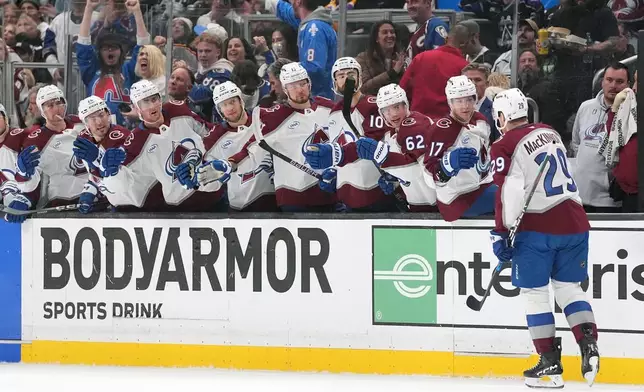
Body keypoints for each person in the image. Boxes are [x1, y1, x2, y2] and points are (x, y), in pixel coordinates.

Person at [489, 88, 599, 389]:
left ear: (502, 117)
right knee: (568, 288)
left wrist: (501, 232)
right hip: (575, 221)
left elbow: (507, 192)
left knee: (535, 294)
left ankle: (549, 364)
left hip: (537, 227)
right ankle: (588, 344)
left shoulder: (503, 144)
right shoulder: (550, 132)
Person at [99, 80, 225, 212]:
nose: (152, 106)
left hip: (214, 196)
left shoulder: (178, 110)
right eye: (145, 102)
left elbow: (211, 134)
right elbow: (120, 181)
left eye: (154, 99)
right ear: (136, 108)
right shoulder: (136, 141)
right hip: (181, 209)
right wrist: (106, 168)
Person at [224, 62, 336, 212]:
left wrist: (337, 171)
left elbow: (344, 142)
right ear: (285, 89)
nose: (299, 90)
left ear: (309, 84)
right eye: (293, 86)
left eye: (302, 84)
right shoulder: (274, 117)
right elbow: (251, 147)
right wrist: (229, 164)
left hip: (330, 194)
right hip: (295, 199)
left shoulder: (328, 107)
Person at [303, 57, 400, 212]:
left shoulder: (373, 106)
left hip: (376, 192)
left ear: (359, 77)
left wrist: (338, 154)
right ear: (334, 82)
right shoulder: (334, 113)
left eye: (350, 74)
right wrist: (334, 172)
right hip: (347, 197)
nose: (346, 79)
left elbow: (369, 146)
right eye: (341, 76)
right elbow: (339, 146)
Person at [177, 81, 277, 212]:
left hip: (274, 201)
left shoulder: (263, 119)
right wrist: (192, 176)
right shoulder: (213, 139)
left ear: (241, 101)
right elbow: (209, 177)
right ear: (219, 110)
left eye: (232, 102)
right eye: (224, 105)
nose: (230, 108)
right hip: (241, 208)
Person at [2, 85, 88, 223]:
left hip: (95, 199)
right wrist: (24, 176)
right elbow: (31, 183)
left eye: (59, 102)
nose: (56, 108)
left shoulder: (81, 122)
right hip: (63, 202)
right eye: (50, 105)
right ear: (42, 111)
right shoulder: (36, 141)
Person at [354, 83, 437, 211]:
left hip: (437, 207)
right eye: (386, 110)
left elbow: (418, 170)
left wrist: (384, 157)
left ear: (406, 105)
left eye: (397, 107)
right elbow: (407, 172)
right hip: (420, 207)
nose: (393, 114)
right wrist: (395, 181)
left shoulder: (417, 126)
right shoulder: (391, 134)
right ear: (381, 114)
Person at [422, 75, 495, 222]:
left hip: (483, 186)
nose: (465, 106)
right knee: (511, 198)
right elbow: (428, 175)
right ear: (450, 103)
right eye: (459, 101)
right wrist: (447, 166)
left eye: (469, 99)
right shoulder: (441, 129)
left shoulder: (481, 120)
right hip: (457, 198)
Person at [570, 62, 629, 212]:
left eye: (619, 81)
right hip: (579, 196)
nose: (613, 85)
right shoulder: (586, 107)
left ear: (628, 85)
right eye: (609, 80)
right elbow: (576, 143)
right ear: (602, 81)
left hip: (609, 201)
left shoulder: (632, 115)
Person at [267, 0, 337, 99]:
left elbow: (314, 68)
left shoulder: (315, 28)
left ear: (298, 1)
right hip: (311, 99)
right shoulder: (308, 22)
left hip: (318, 101)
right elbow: (286, 12)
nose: (290, 3)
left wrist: (286, 69)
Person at [73, 95, 131, 214]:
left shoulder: (122, 137)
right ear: (86, 123)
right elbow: (94, 175)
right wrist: (90, 191)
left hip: (128, 200)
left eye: (101, 115)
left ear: (108, 115)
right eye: (92, 118)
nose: (99, 122)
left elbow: (120, 180)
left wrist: (97, 158)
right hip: (108, 194)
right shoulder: (84, 138)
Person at [400, 24, 470, 120]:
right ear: (464, 44)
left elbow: (402, 90)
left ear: (446, 39)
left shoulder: (421, 57)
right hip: (448, 125)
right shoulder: (464, 66)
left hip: (418, 122)